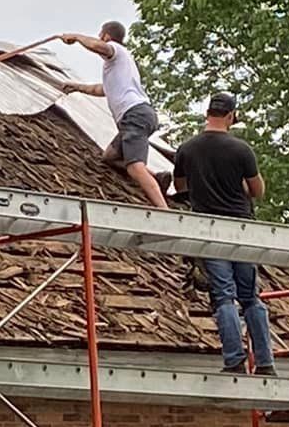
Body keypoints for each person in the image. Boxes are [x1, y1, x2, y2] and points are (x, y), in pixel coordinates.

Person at [171, 92, 276, 375]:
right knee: (250, 296)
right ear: (231, 116)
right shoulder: (241, 150)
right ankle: (265, 362)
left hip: (209, 229)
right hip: (241, 228)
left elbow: (179, 186)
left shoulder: (187, 149)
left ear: (208, 114)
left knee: (223, 295)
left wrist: (198, 191)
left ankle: (234, 360)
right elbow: (258, 191)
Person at [58, 21, 168, 210]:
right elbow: (101, 89)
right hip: (136, 116)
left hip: (134, 114)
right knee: (110, 156)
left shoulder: (115, 50)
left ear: (106, 36)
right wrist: (76, 87)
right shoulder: (119, 66)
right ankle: (156, 177)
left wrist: (76, 37)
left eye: (101, 34)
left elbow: (97, 46)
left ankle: (163, 208)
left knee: (134, 166)